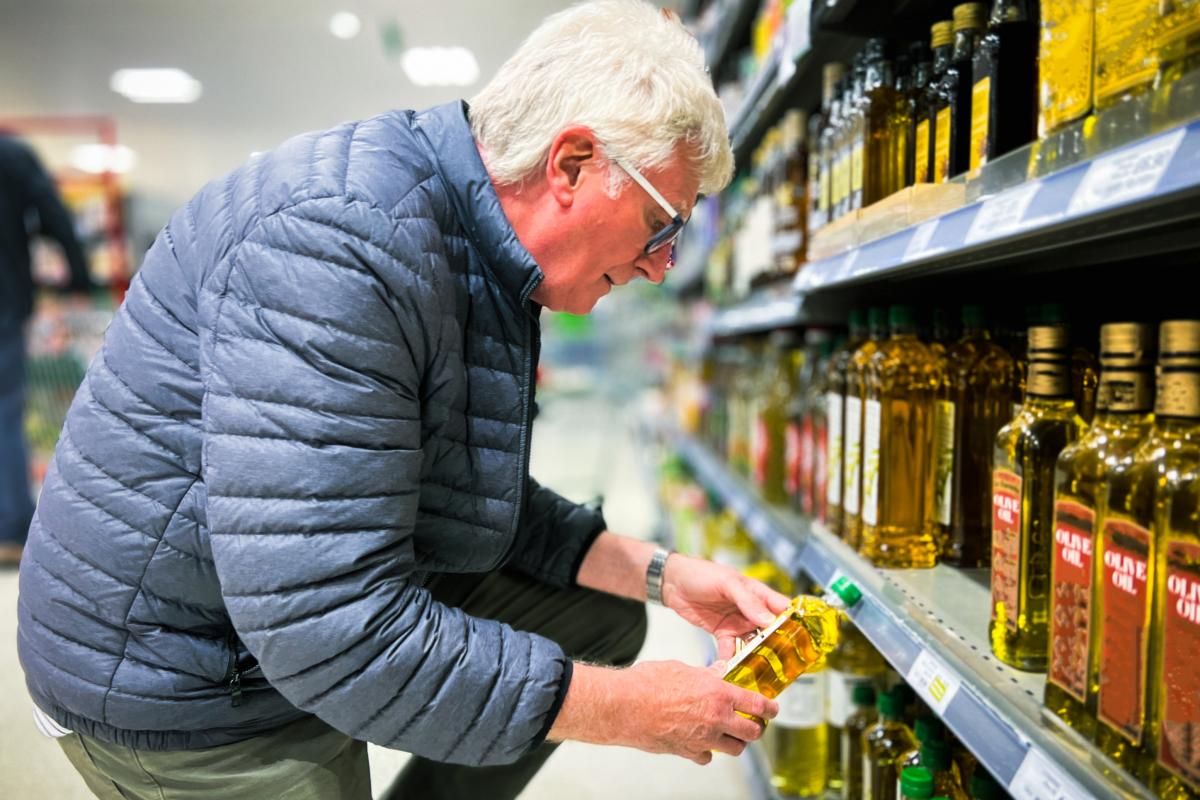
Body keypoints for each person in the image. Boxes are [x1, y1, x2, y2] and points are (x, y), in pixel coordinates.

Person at [17, 2, 792, 798]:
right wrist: (628, 710)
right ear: (572, 164)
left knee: (600, 609)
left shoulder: (468, 239)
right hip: (180, 671)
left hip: (272, 603)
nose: (662, 266)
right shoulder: (338, 248)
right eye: (662, 225)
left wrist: (662, 576)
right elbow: (331, 629)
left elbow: (458, 488)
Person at [0, 131, 93, 568]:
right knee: (3, 414)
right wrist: (78, 275)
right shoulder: (10, 154)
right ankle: (9, 530)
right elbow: (53, 213)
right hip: (3, 301)